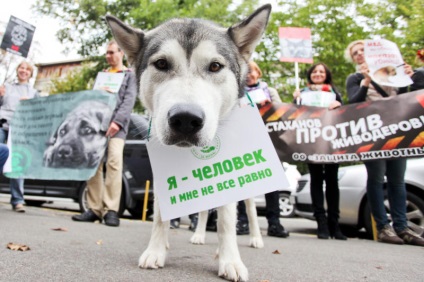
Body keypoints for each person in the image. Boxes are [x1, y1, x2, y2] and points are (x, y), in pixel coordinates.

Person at [345, 40, 424, 246]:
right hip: (373, 137)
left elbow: (414, 98)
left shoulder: (393, 75)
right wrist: (365, 82)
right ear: (353, 59)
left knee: (397, 181)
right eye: (356, 53)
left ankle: (402, 226)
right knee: (377, 179)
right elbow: (353, 104)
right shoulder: (355, 78)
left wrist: (412, 77)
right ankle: (383, 226)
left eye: (363, 50)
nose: (360, 54)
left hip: (397, 134)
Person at [72, 40, 137, 227]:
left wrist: (117, 122)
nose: (108, 56)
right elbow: (92, 100)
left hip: (117, 128)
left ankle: (111, 210)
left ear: (121, 53)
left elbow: (128, 101)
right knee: (94, 166)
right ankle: (94, 209)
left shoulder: (129, 75)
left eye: (111, 52)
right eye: (106, 53)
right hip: (96, 127)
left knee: (114, 163)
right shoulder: (102, 76)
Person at [293, 63, 346, 240]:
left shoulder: (334, 92)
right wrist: (296, 100)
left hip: (331, 142)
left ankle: (334, 224)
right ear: (310, 75)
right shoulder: (303, 92)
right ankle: (321, 224)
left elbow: (345, 113)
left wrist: (339, 104)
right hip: (312, 142)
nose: (318, 73)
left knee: (332, 181)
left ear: (326, 75)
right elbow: (294, 114)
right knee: (316, 181)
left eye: (321, 71)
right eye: (315, 71)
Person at [236, 61, 289, 238]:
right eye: (247, 71)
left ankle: (274, 222)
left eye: (253, 71)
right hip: (245, 140)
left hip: (269, 140)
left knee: (272, 181)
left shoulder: (269, 91)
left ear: (258, 73)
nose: (250, 74)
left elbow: (281, 113)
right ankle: (243, 221)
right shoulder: (237, 93)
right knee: (244, 181)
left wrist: (270, 107)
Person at [0, 61, 39, 213]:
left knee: (17, 162)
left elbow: (38, 112)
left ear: (30, 73)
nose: (24, 71)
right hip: (2, 125)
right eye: (21, 68)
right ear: (17, 70)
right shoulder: (6, 87)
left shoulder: (33, 92)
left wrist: (30, 105)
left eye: (27, 69)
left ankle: (17, 200)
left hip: (20, 129)